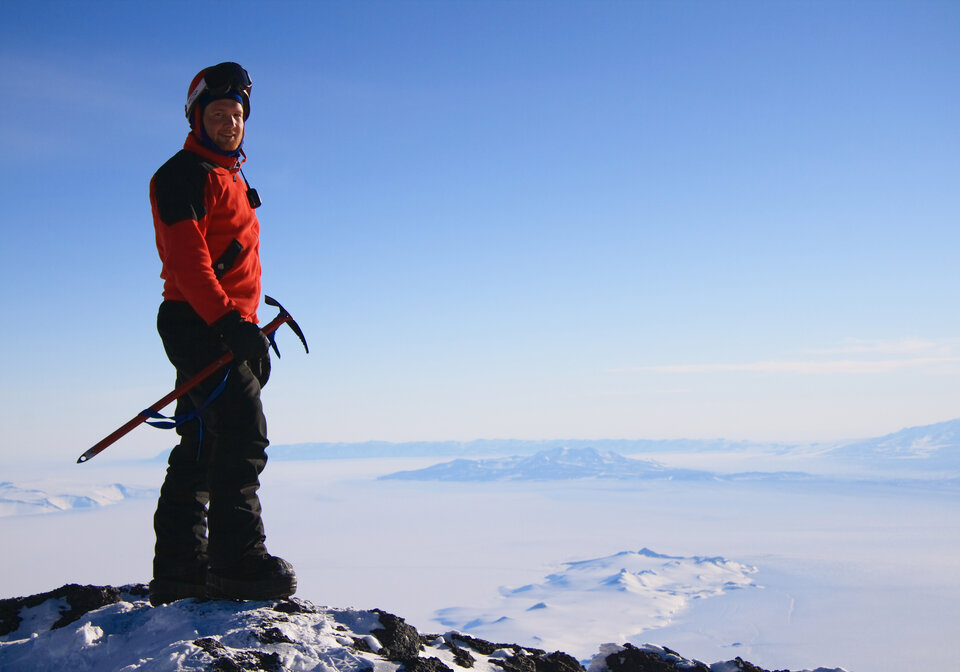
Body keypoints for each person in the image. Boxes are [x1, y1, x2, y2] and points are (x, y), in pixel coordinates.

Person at [148, 62, 296, 605]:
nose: (230, 123)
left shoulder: (230, 175)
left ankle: (182, 569)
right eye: (218, 114)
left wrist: (246, 323)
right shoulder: (181, 174)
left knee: (203, 440)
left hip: (223, 323)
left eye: (237, 115)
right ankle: (237, 564)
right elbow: (189, 265)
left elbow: (231, 260)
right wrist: (231, 325)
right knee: (240, 434)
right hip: (198, 322)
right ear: (196, 117)